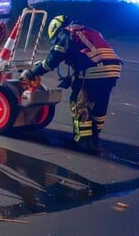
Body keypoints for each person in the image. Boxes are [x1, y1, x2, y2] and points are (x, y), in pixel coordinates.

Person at [21, 15, 122, 153]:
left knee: (78, 102)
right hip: (113, 71)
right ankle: (93, 139)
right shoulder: (87, 31)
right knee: (100, 105)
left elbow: (51, 61)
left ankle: (81, 141)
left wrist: (33, 72)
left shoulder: (66, 34)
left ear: (56, 29)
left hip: (94, 71)